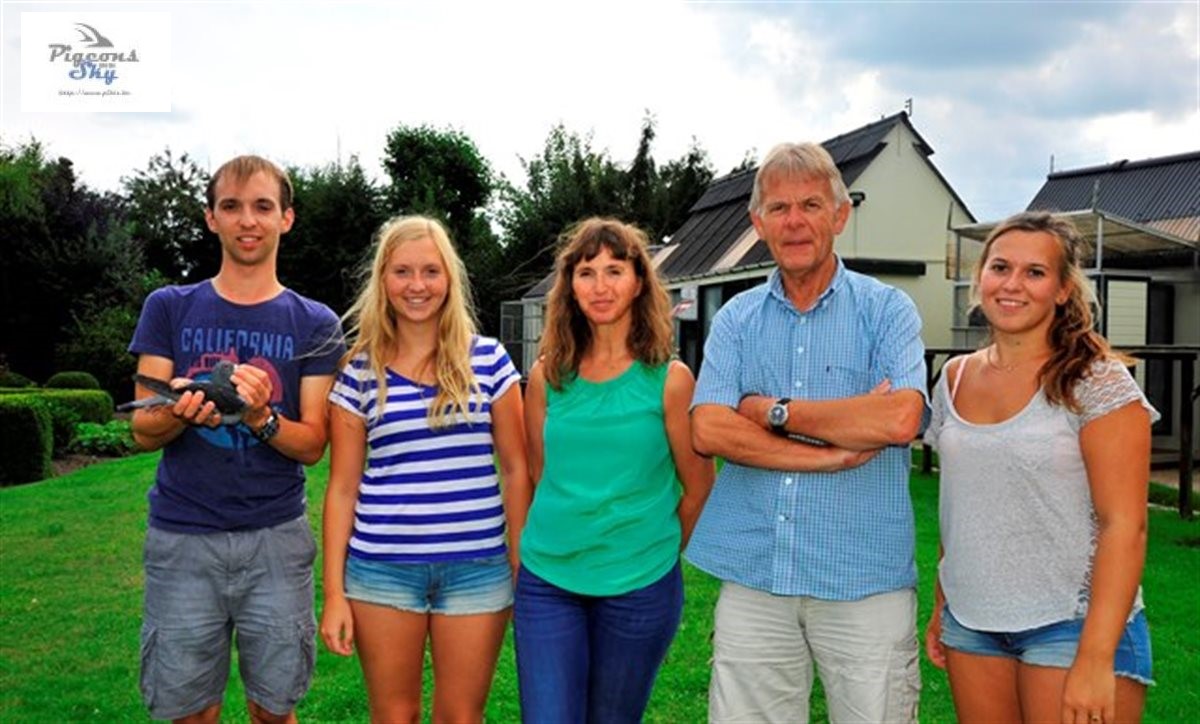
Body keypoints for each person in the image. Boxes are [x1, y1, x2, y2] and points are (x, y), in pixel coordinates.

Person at [687, 142, 928, 723]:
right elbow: (709, 427)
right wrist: (831, 453)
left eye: (811, 205)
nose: (794, 221)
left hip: (863, 581)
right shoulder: (736, 319)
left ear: (840, 216)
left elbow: (899, 419)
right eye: (779, 208)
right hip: (756, 578)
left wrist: (771, 412)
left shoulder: (887, 310)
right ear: (758, 223)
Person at [128, 155, 344, 723]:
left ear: (286, 219)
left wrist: (258, 417)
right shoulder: (168, 307)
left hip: (276, 538)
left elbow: (312, 444)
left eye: (262, 207)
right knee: (188, 712)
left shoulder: (316, 323)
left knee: (273, 711)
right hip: (182, 537)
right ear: (211, 218)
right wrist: (182, 411)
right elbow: (143, 429)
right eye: (232, 206)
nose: (248, 220)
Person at [923, 211, 1156, 724]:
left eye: (1035, 272)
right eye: (1000, 267)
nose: (1012, 284)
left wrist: (1095, 657)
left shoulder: (1098, 382)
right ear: (980, 277)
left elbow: (1126, 526)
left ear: (1063, 290)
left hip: (1073, 624)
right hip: (971, 623)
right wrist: (943, 603)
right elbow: (963, 505)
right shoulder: (954, 378)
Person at [320, 215, 528, 723]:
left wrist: (519, 563)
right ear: (383, 280)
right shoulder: (359, 371)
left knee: (461, 717)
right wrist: (333, 594)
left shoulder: (491, 361)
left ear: (449, 279)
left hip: (477, 570)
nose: (417, 285)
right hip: (382, 571)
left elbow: (516, 469)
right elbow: (342, 488)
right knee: (395, 716)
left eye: (431, 271)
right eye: (403, 272)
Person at [513, 217, 714, 723]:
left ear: (639, 281)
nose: (600, 286)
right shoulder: (546, 377)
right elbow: (537, 473)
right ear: (570, 286)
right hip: (548, 582)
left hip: (639, 589)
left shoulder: (670, 380)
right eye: (586, 273)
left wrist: (653, 549)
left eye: (614, 271)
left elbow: (697, 486)